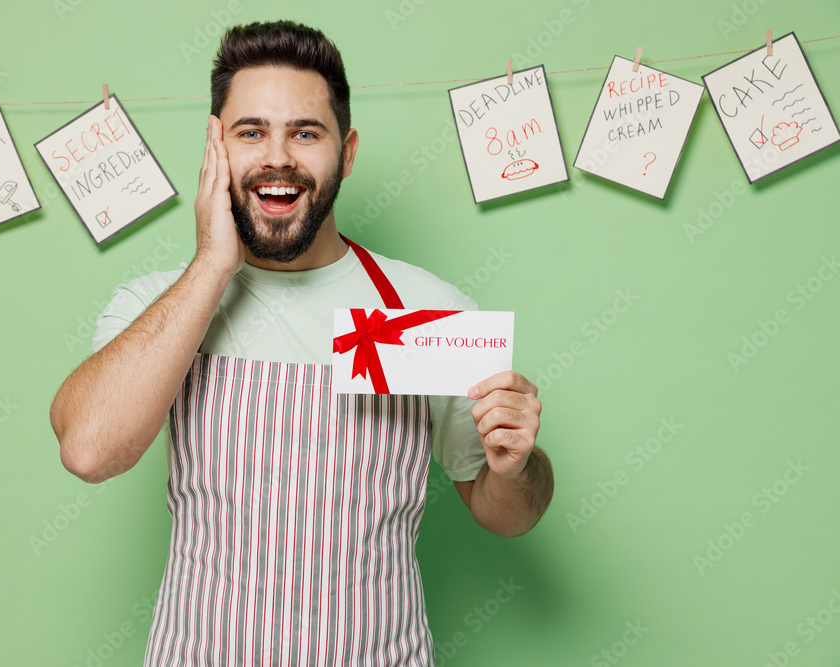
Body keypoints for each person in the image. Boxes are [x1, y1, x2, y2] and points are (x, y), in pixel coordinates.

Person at [49, 20, 553, 666]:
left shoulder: (429, 311)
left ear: (345, 152)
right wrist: (210, 265)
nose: (278, 157)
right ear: (215, 147)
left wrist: (517, 466)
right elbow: (88, 449)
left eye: (305, 133)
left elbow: (508, 513)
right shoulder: (154, 307)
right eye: (250, 132)